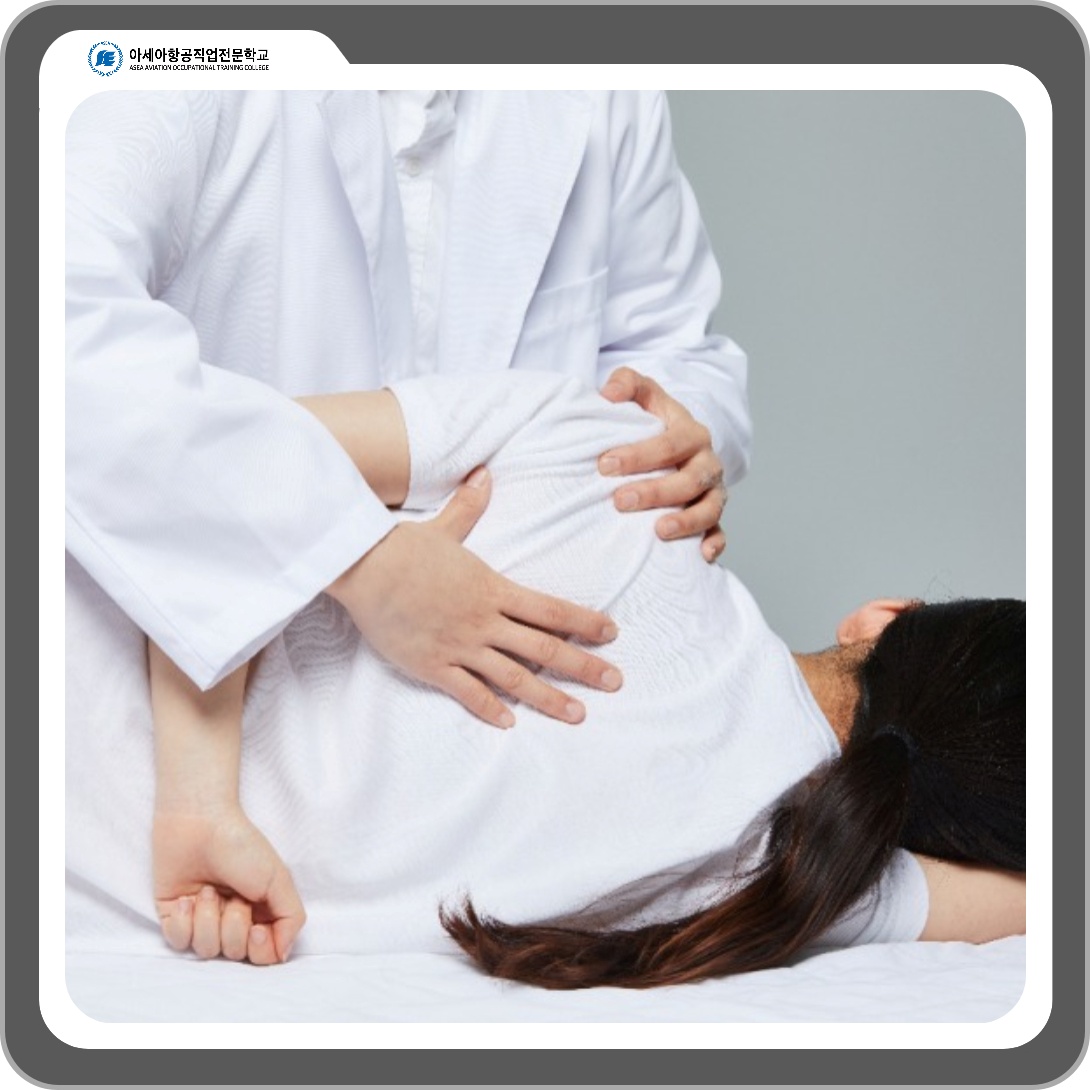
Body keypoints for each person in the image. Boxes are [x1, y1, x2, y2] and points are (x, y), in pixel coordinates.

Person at [101, 371, 1024, 984]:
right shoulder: (785, 885)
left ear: (883, 617)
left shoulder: (608, 456)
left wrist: (199, 797)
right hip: (110, 894)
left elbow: (194, 442)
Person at [65, 90, 751, 729]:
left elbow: (676, 349)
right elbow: (56, 333)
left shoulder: (606, 89)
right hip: (190, 684)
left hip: (506, 693)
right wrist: (361, 558)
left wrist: (677, 444)